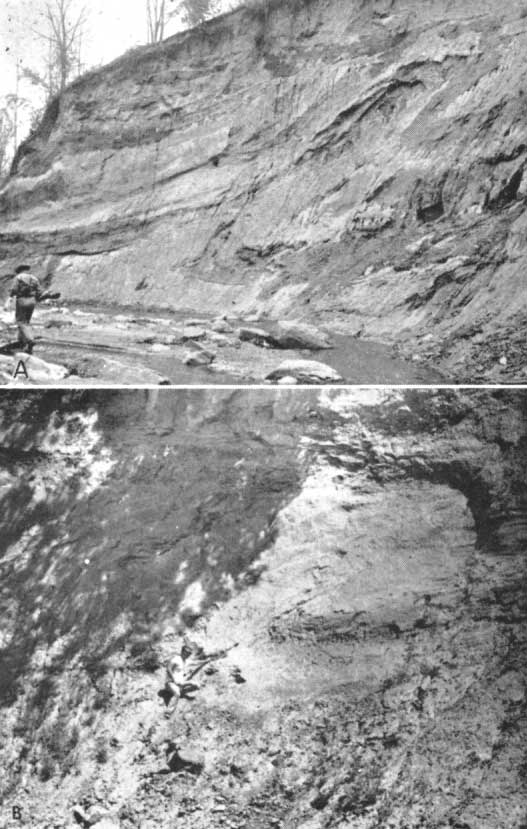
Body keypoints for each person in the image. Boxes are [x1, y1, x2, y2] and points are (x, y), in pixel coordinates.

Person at [3, 264, 43, 354]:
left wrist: (9, 299)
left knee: (21, 321)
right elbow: (39, 291)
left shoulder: (19, 277)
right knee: (26, 322)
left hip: (22, 300)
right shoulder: (34, 278)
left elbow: (14, 289)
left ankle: (30, 340)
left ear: (19, 270)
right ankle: (22, 342)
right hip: (32, 301)